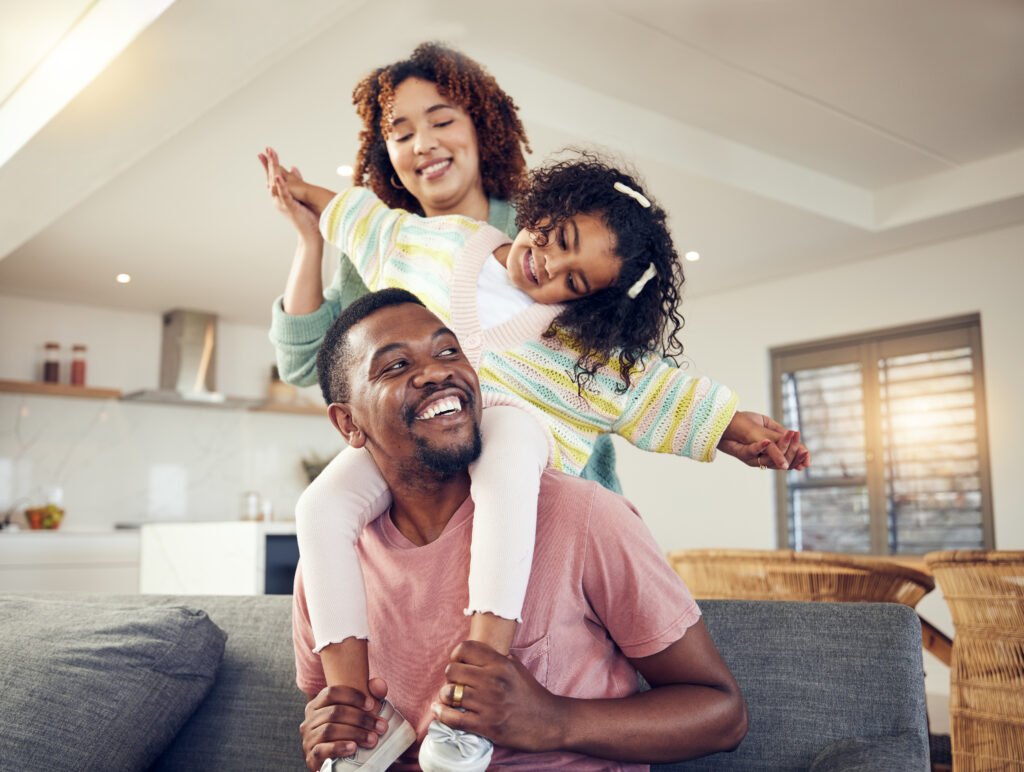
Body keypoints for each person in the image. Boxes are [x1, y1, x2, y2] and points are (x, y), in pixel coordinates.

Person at [266, 147, 806, 771]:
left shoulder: (581, 355)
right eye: (559, 239)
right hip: (418, 446)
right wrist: (305, 194)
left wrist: (732, 427)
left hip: (516, 436)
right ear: (546, 207)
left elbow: (657, 391)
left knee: (509, 456)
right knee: (320, 505)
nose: (549, 266)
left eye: (573, 280)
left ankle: (479, 678)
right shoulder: (449, 245)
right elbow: (377, 226)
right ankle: (363, 709)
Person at [292, 288, 749, 771]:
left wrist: (555, 720)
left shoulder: (584, 517)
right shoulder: (330, 564)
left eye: (449, 351)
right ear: (348, 424)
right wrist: (326, 731)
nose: (438, 371)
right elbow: (329, 710)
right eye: (396, 366)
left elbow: (723, 715)